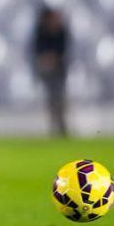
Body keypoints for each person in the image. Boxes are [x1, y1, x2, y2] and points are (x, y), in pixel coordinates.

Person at [32, 7, 69, 136]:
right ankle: (55, 128)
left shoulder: (61, 31)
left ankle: (62, 128)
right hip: (48, 71)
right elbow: (38, 49)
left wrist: (53, 58)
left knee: (60, 100)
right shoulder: (41, 31)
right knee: (52, 100)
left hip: (59, 70)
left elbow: (64, 50)